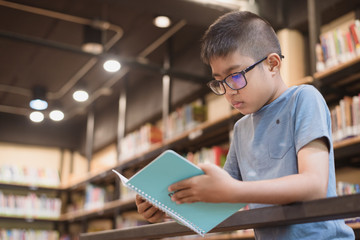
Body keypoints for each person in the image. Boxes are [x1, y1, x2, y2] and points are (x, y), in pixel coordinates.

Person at [135, 11, 355, 239]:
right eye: (220, 82)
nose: (228, 91)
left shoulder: (303, 98)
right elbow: (223, 201)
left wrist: (233, 190)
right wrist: (170, 202)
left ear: (272, 64)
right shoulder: (241, 129)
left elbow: (314, 185)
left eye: (236, 76)